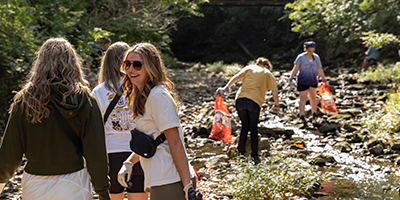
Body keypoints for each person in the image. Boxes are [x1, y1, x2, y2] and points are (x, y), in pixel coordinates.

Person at [0, 37, 110, 199]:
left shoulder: (25, 100)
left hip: (35, 184)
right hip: (75, 182)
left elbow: (10, 152)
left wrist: (1, 182)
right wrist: (103, 192)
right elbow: (96, 153)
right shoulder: (85, 100)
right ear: (73, 63)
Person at [117, 42, 201, 200]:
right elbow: (153, 140)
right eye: (127, 64)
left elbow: (175, 142)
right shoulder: (143, 96)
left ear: (150, 67)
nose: (130, 70)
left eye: (137, 65)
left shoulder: (157, 96)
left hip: (169, 178)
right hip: (161, 178)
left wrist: (187, 186)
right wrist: (129, 162)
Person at [92, 42, 148, 200]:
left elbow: (93, 130)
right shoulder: (139, 87)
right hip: (138, 154)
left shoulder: (99, 91)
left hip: (110, 157)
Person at [216, 57, 280, 164]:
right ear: (268, 66)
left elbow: (236, 77)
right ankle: (255, 156)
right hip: (254, 102)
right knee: (253, 128)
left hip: (240, 99)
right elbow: (274, 92)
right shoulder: (268, 73)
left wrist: (226, 88)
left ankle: (241, 155)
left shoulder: (249, 68)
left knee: (245, 127)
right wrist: (276, 105)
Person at [288, 41, 327, 123]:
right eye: (309, 51)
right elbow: (295, 68)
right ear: (305, 49)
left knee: (313, 97)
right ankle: (301, 115)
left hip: (312, 80)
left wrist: (324, 79)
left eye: (312, 51)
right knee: (303, 98)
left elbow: (319, 69)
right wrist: (291, 78)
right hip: (302, 80)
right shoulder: (301, 57)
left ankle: (314, 114)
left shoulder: (316, 57)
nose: (311, 53)